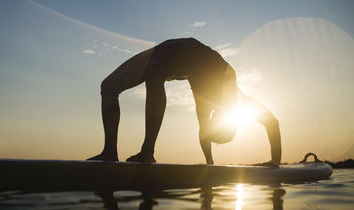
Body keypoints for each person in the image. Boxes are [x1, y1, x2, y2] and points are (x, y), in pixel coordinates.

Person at [88, 38, 281, 167]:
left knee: (109, 87)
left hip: (167, 53)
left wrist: (209, 165)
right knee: (137, 81)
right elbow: (272, 122)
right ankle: (129, 152)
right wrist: (275, 162)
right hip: (184, 50)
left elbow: (203, 133)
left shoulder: (205, 107)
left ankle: (120, 152)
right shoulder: (238, 99)